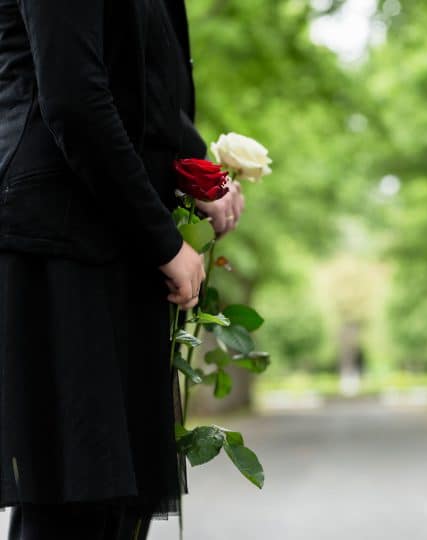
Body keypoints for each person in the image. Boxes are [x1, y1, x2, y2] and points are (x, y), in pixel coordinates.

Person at [0, 0, 243, 538]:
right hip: (61, 243)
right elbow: (73, 99)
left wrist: (199, 169)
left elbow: (146, 86)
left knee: (116, 500)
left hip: (119, 241)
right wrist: (164, 243)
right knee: (74, 500)